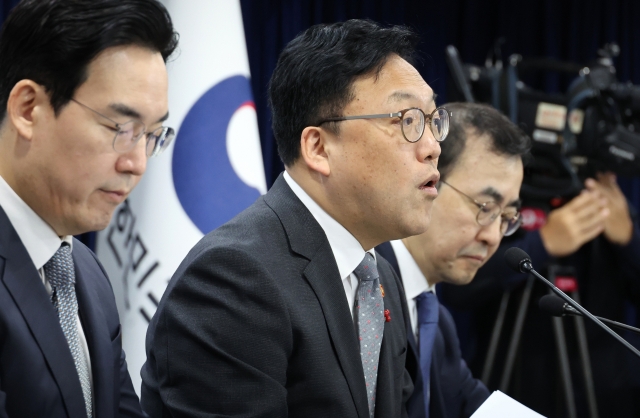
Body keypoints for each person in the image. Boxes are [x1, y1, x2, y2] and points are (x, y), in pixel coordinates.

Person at [141, 19, 444, 418]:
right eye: (406, 120)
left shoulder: (378, 276)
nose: (432, 147)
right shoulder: (233, 279)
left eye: (434, 121)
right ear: (318, 147)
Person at [0, 1, 178, 417]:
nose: (137, 163)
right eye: (120, 128)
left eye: (152, 135)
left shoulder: (86, 272)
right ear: (28, 108)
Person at [439, 168, 640, 417]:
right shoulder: (506, 195)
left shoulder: (610, 205)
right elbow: (455, 291)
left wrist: (630, 239)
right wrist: (541, 244)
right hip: (513, 388)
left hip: (603, 392)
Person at [376, 102, 532, 418]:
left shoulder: (438, 323)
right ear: (427, 182)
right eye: (485, 207)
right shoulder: (362, 294)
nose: (493, 237)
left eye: (507, 217)